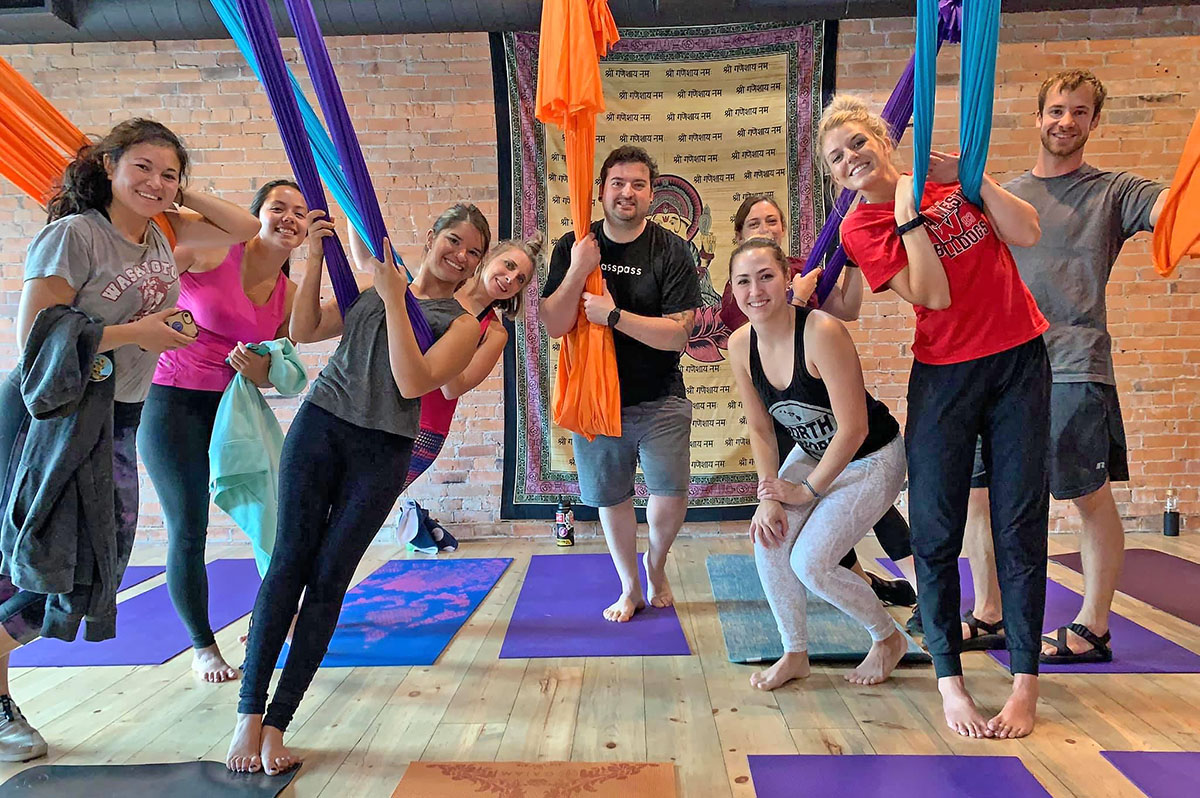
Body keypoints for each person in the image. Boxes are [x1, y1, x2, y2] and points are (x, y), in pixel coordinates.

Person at [0, 118, 259, 761]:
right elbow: (33, 340)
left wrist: (179, 197)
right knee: (37, 566)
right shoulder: (76, 235)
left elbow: (247, 229)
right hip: (50, 420)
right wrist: (138, 334)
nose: (155, 182)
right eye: (141, 166)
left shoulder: (158, 240)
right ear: (108, 166)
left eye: (169, 172)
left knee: (87, 564)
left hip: (117, 416)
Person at [227, 204, 490, 776]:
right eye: (454, 241)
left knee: (328, 581)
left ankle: (279, 723)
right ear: (432, 235)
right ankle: (249, 714)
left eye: (473, 251)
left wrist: (396, 296)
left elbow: (414, 380)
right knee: (288, 565)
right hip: (320, 426)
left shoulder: (462, 323)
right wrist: (316, 257)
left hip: (384, 449)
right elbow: (302, 330)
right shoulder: (376, 284)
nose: (461, 257)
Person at [823, 95, 1050, 739]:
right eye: (837, 158)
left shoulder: (946, 180)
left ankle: (1025, 682)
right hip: (946, 373)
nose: (851, 161)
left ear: (884, 141)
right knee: (936, 526)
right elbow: (934, 293)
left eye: (858, 145)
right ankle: (950, 680)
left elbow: (1027, 231)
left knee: (1019, 519)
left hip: (1018, 358)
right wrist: (909, 220)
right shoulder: (861, 227)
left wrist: (970, 181)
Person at [957, 69, 1170, 665]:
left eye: (1079, 112)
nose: (1066, 121)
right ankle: (989, 613)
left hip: (1074, 364)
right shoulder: (1008, 195)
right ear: (1039, 116)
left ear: (1094, 121)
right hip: (998, 367)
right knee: (979, 494)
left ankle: (1093, 627)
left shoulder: (1113, 191)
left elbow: (1169, 212)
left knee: (1086, 494)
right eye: (1056, 110)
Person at [139, 179, 317, 683]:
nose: (290, 218)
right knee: (188, 527)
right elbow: (151, 290)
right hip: (172, 404)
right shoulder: (211, 251)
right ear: (255, 213)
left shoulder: (288, 294)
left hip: (233, 413)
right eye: (278, 207)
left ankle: (272, 613)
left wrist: (258, 370)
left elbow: (284, 367)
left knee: (275, 515)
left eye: (300, 213)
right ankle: (203, 647)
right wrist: (178, 189)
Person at [728, 238, 909, 690]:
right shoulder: (739, 344)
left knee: (812, 563)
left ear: (788, 279)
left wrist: (805, 492)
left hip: (872, 457)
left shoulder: (821, 331)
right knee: (769, 539)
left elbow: (853, 429)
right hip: (812, 453)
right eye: (744, 281)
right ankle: (795, 652)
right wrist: (769, 494)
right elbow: (761, 429)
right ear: (732, 290)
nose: (756, 291)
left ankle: (887, 638)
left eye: (766, 277)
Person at [722, 194, 919, 608]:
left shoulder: (798, 276)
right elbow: (764, 327)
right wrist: (772, 493)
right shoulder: (754, 295)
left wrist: (847, 257)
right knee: (801, 532)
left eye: (772, 221)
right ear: (739, 235)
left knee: (856, 512)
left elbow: (844, 309)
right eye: (754, 224)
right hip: (787, 420)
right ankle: (859, 586)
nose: (765, 229)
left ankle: (903, 590)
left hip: (839, 424)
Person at [540, 145, 702, 623]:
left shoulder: (671, 250)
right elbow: (553, 322)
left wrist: (614, 316)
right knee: (612, 497)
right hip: (594, 398)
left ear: (652, 193)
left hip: (659, 396)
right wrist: (577, 269)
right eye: (617, 183)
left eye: (638, 184)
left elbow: (678, 334)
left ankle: (656, 563)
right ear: (601, 190)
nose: (627, 192)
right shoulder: (575, 243)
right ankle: (630, 586)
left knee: (670, 493)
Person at [399, 234, 543, 553]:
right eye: (507, 266)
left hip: (424, 429)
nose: (509, 279)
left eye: (520, 279)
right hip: (386, 410)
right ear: (489, 259)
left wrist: (445, 341)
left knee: (369, 505)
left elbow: (453, 386)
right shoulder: (430, 292)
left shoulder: (493, 333)